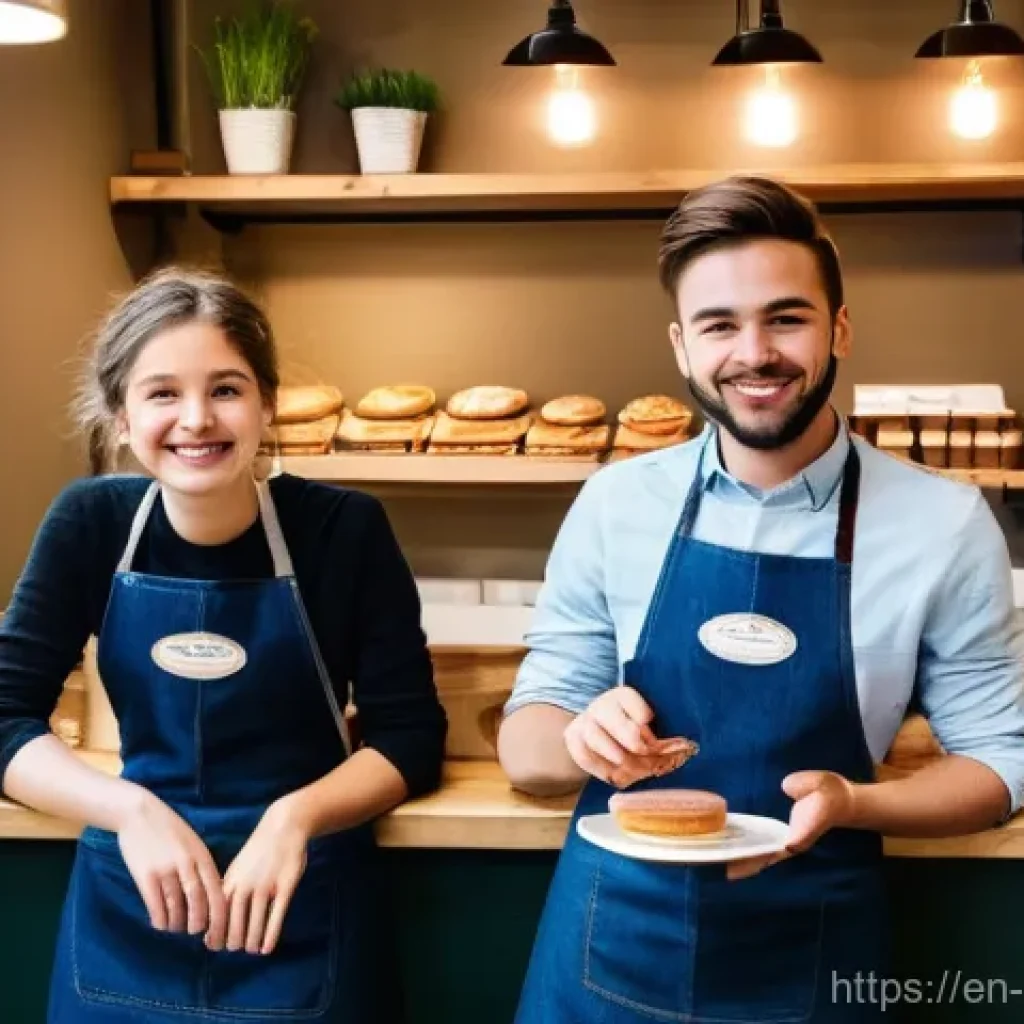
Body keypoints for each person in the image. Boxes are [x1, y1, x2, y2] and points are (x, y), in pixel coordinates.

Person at [498, 176, 1024, 1023]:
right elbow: (527, 748)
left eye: (786, 318)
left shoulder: (944, 524)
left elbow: (999, 764)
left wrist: (855, 803)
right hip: (608, 945)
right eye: (719, 325)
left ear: (839, 327)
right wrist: (580, 739)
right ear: (682, 346)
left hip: (814, 953)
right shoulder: (615, 503)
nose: (755, 353)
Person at [0, 267, 447, 1022]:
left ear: (267, 404)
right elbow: (6, 718)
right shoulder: (91, 523)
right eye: (162, 393)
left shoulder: (342, 530)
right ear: (120, 416)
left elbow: (409, 737)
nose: (197, 419)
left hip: (303, 907)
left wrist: (294, 820)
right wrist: (130, 813)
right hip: (129, 913)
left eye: (226, 389)